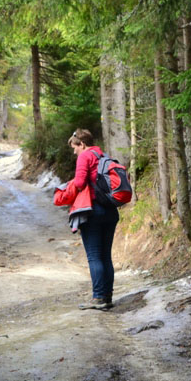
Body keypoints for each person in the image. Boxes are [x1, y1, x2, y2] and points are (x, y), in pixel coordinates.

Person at [67, 129, 118, 310]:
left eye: (75, 147)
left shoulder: (85, 156)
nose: (74, 152)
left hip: (93, 210)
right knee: (105, 256)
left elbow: (80, 183)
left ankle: (98, 298)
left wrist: (69, 186)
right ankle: (107, 296)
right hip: (111, 211)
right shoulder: (103, 155)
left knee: (94, 256)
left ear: (82, 144)